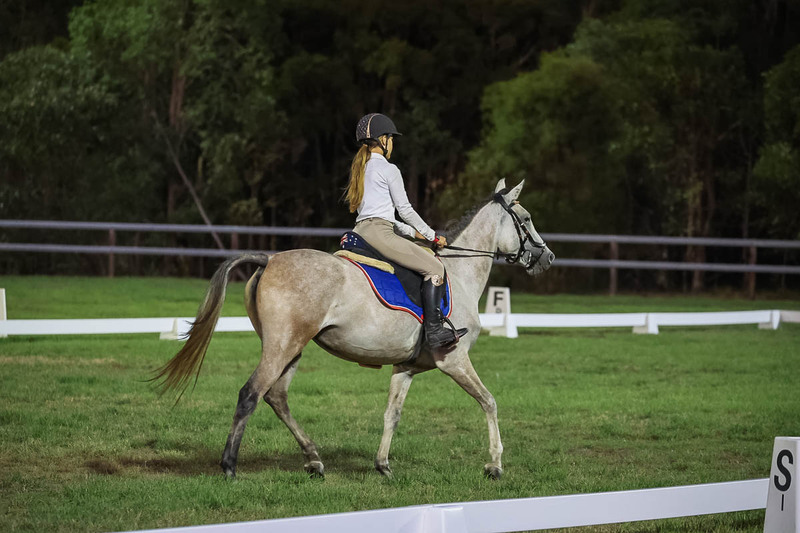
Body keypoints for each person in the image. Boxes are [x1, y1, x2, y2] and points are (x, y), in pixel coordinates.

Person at [344, 113, 467, 349]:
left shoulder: (361, 169)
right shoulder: (389, 169)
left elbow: (380, 215)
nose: (393, 143)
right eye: (391, 138)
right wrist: (432, 236)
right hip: (380, 233)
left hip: (363, 231)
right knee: (435, 267)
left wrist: (414, 234)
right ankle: (434, 331)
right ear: (383, 139)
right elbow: (405, 210)